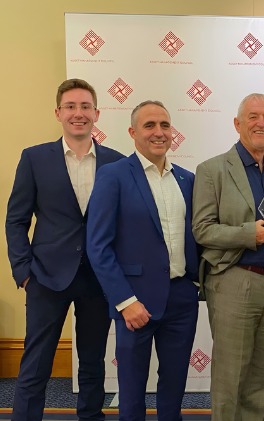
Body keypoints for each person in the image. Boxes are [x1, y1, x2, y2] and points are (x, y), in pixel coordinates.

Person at [5, 79, 124, 421]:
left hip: (99, 280)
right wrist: (23, 273)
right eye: (70, 106)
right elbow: (16, 220)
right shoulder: (34, 158)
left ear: (97, 113)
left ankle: (91, 417)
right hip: (45, 278)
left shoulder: (117, 163)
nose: (78, 113)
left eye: (85, 106)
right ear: (58, 113)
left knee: (93, 362)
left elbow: (123, 225)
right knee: (36, 363)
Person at [87, 101, 199, 421]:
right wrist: (125, 301)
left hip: (181, 298)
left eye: (165, 125)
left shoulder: (187, 179)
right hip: (135, 303)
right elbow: (98, 246)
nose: (158, 132)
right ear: (133, 132)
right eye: (149, 125)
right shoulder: (113, 176)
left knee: (174, 386)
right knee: (132, 390)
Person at [192, 93, 264, 421]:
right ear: (237, 124)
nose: (260, 123)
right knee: (230, 377)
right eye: (253, 117)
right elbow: (202, 230)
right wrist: (246, 234)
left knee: (261, 377)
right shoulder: (212, 170)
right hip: (234, 281)